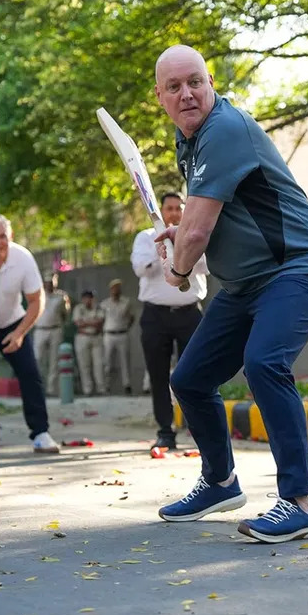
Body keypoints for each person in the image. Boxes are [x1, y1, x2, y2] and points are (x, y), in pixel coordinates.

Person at [149, 45, 308, 543]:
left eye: (195, 81)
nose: (187, 93)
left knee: (264, 363)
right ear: (161, 97)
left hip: (298, 268)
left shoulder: (224, 129)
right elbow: (200, 219)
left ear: (210, 82)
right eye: (175, 87)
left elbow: (195, 234)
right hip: (245, 284)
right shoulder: (189, 138)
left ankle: (298, 503)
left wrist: (178, 268)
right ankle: (220, 482)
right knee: (189, 379)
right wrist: (182, 238)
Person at [131, 191, 209, 449]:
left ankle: (198, 428)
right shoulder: (145, 237)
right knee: (158, 374)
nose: (174, 213)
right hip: (156, 315)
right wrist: (161, 245)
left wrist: (182, 244)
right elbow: (141, 268)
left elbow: (204, 265)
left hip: (190, 314)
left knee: (195, 373)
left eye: (179, 208)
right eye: (169, 208)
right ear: (160, 211)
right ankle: (166, 430)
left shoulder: (196, 236)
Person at [0, 214, 58, 452]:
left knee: (30, 374)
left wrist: (20, 333)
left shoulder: (22, 258)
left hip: (13, 323)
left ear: (10, 237)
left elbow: (36, 300)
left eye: (3, 236)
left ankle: (41, 433)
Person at [35, 271, 71, 395]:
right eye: (47, 283)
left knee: (54, 360)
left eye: (51, 282)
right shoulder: (38, 295)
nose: (49, 285)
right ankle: (39, 387)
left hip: (55, 329)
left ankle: (52, 389)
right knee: (38, 358)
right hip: (40, 330)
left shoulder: (61, 297)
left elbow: (65, 314)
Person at [100, 279, 135, 395]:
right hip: (109, 334)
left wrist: (126, 327)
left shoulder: (126, 302)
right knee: (107, 362)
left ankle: (127, 385)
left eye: (118, 288)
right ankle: (106, 385)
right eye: (114, 288)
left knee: (125, 361)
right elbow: (101, 320)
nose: (116, 290)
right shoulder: (104, 304)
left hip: (122, 333)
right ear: (111, 290)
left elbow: (131, 317)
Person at [71, 289, 106, 395]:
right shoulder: (78, 308)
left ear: (92, 299)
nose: (87, 300)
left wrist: (85, 322)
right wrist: (92, 322)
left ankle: (101, 389)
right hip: (82, 337)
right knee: (84, 365)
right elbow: (78, 323)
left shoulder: (98, 307)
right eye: (85, 298)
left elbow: (100, 322)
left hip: (96, 337)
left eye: (89, 298)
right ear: (82, 299)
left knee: (99, 364)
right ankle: (87, 389)